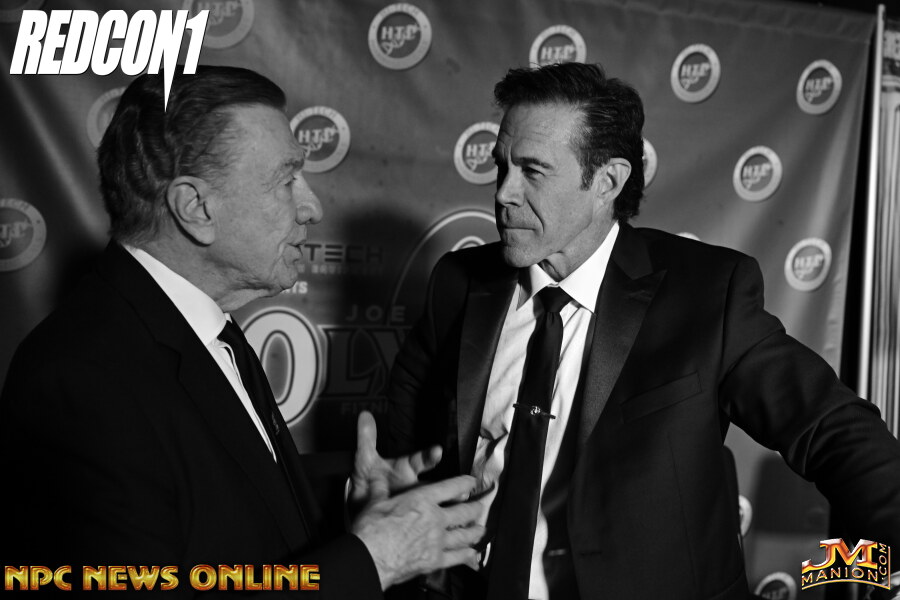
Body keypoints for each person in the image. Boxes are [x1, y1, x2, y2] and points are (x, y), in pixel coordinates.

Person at [384, 62, 900, 600]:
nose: (504, 193)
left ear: (607, 182)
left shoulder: (706, 294)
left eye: (533, 171)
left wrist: (885, 562)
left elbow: (833, 430)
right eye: (501, 166)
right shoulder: (460, 285)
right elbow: (401, 454)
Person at [0, 66, 483, 598]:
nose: (312, 207)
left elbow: (232, 547)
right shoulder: (83, 380)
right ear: (196, 209)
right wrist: (371, 560)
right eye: (286, 180)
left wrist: (359, 525)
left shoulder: (207, 331)